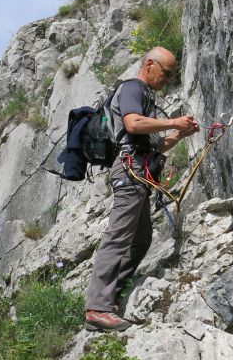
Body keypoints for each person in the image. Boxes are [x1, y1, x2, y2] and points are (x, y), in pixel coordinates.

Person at [84, 46, 199, 332]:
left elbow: (156, 145)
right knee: (119, 236)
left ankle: (110, 297)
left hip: (139, 174)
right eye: (166, 73)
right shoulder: (133, 88)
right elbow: (133, 125)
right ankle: (97, 308)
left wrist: (178, 134)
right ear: (150, 65)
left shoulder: (145, 97)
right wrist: (173, 120)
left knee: (141, 240)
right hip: (130, 172)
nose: (168, 80)